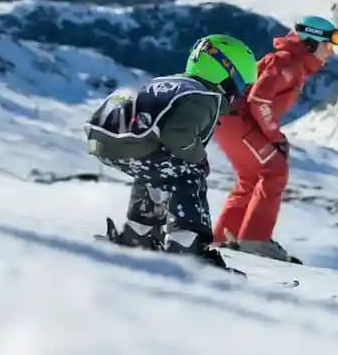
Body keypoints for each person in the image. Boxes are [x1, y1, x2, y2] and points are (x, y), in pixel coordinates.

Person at [86, 34, 259, 267]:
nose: (239, 94)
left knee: (157, 174)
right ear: (227, 74)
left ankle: (138, 236)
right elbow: (177, 135)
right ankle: (187, 247)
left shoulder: (173, 82)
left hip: (106, 139)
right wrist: (199, 159)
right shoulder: (203, 97)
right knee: (189, 177)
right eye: (241, 85)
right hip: (134, 144)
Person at [212, 14, 338, 260]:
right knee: (275, 170)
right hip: (237, 120)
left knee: (251, 178)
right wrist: (273, 135)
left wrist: (271, 134)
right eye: (328, 45)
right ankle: (255, 241)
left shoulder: (292, 64)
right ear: (311, 43)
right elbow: (259, 99)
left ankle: (223, 239)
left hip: (229, 120)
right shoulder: (287, 63)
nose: (331, 53)